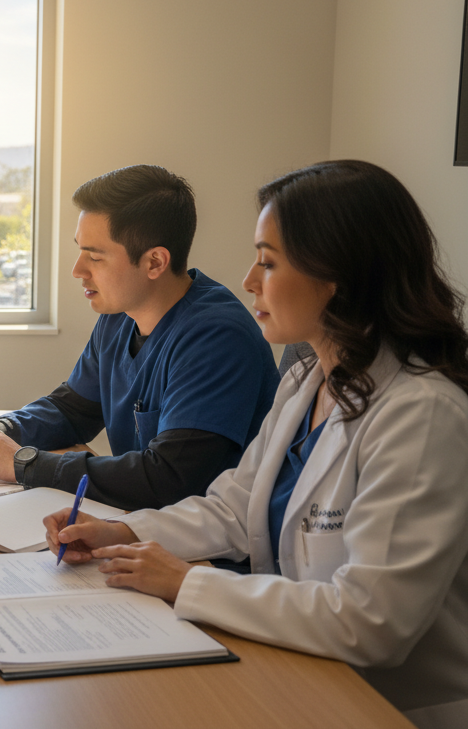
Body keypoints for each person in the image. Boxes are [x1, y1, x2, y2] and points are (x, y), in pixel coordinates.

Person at [45, 161, 468, 727]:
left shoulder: (422, 414)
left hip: (390, 707)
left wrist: (187, 581)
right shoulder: (306, 379)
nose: (247, 280)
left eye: (268, 262)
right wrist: (125, 533)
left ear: (335, 275)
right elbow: (234, 507)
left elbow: (371, 622)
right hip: (301, 670)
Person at [0, 164, 278, 511]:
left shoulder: (217, 338)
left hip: (204, 551)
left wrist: (23, 462)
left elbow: (170, 478)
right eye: (80, 250)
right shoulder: (119, 315)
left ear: (155, 262)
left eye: (95, 257)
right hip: (140, 525)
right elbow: (72, 410)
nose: (77, 270)